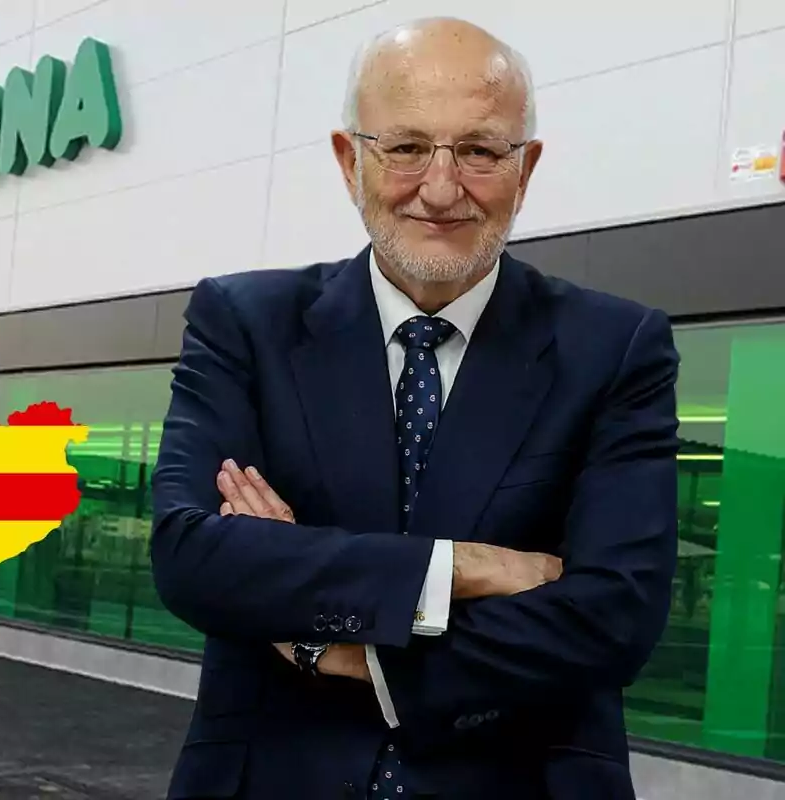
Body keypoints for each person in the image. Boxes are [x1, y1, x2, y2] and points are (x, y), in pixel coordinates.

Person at [150, 17, 679, 800]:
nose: (440, 186)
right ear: (349, 159)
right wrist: (457, 568)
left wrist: (338, 644)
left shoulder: (615, 347)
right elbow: (195, 558)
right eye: (404, 147)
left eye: (478, 149)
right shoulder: (244, 322)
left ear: (524, 167)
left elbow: (614, 616)